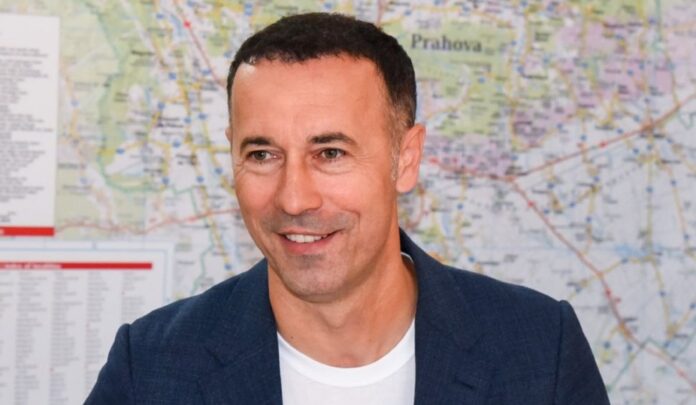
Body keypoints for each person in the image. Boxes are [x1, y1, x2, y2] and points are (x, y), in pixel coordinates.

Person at [86, 13, 610, 404]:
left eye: (330, 153)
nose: (294, 199)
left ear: (406, 159)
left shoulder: (541, 352)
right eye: (263, 154)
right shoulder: (149, 369)